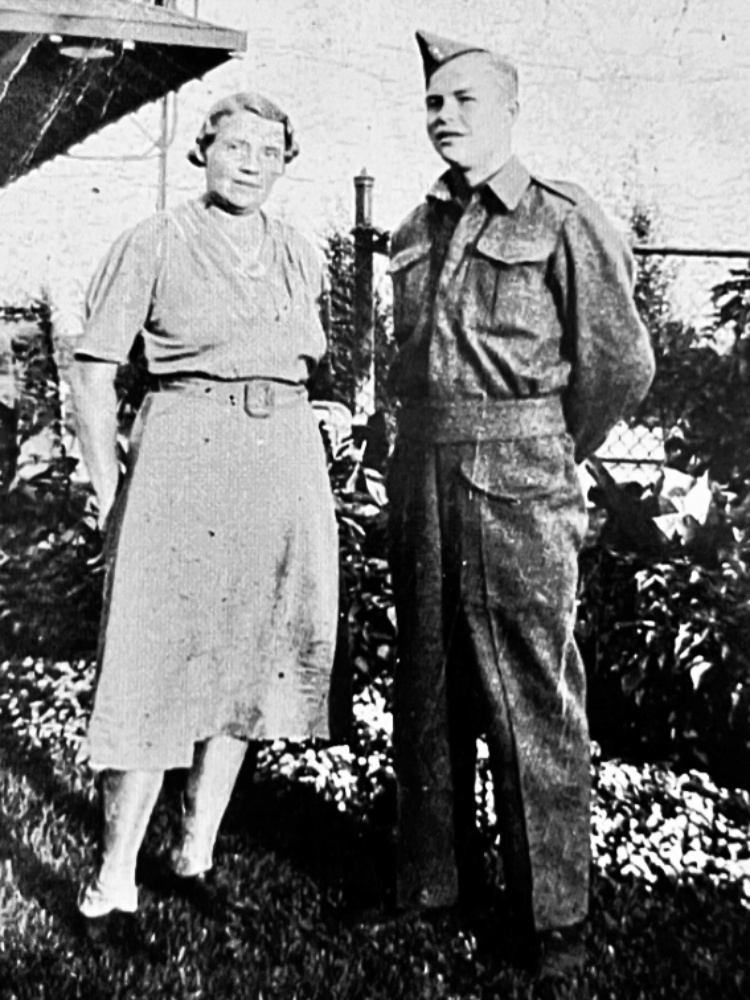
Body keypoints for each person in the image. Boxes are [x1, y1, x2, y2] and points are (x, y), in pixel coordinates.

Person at [386, 30, 655, 985]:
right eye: (433, 103)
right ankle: (430, 882)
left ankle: (555, 920)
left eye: (464, 100)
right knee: (427, 683)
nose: (445, 116)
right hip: (423, 470)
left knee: (532, 691)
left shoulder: (562, 216)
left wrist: (542, 447)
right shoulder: (416, 228)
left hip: (520, 472)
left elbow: (622, 364)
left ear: (508, 111)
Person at [72, 93, 339, 927]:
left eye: (270, 149)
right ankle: (114, 878)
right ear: (203, 151)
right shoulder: (155, 241)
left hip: (282, 461)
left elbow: (314, 362)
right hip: (184, 453)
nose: (252, 161)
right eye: (236, 145)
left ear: (285, 163)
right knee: (153, 664)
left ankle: (194, 852)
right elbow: (91, 372)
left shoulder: (300, 252)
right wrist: (112, 489)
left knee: (250, 658)